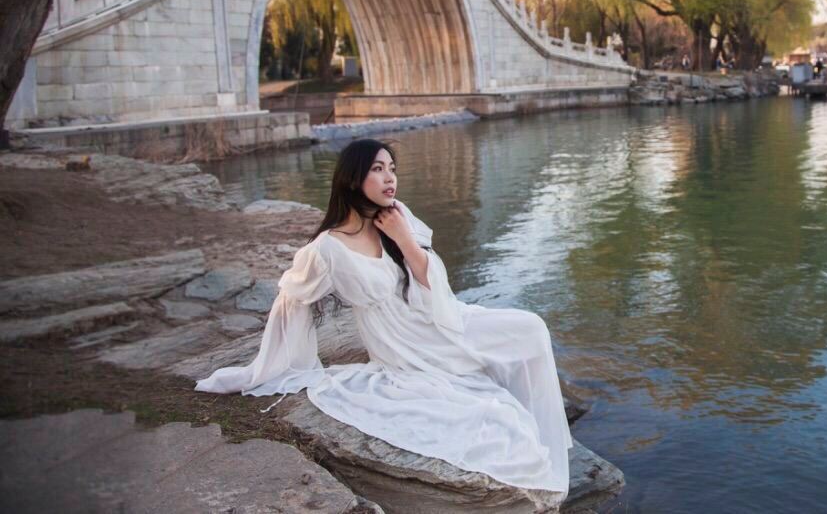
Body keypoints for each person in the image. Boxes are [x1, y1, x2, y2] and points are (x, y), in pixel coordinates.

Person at [195, 139, 571, 502]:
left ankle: (550, 436)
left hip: (432, 317)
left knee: (531, 328)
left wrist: (404, 237)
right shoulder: (326, 248)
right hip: (398, 345)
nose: (390, 178)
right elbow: (291, 301)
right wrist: (273, 363)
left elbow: (432, 282)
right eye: (377, 169)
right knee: (491, 413)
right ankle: (532, 436)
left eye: (392, 168)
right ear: (352, 178)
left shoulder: (395, 216)